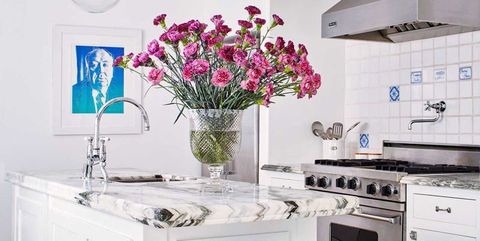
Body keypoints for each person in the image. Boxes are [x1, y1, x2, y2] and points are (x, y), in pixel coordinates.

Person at [72, 48, 123, 114]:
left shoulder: (120, 93)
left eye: (105, 65)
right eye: (94, 65)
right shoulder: (74, 93)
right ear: (87, 71)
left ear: (112, 71)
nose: (101, 70)